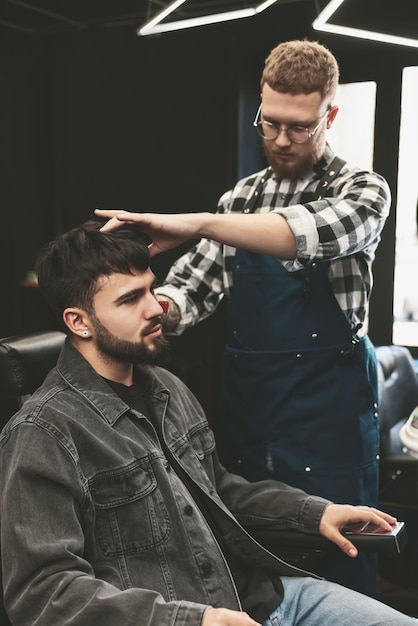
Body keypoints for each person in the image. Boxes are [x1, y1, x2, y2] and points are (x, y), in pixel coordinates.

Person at [0, 218, 412, 626]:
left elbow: (219, 492)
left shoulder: (165, 386)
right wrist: (193, 620)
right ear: (79, 322)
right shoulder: (43, 434)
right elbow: (44, 593)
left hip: (269, 597)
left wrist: (313, 514)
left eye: (150, 288)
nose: (156, 306)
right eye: (130, 299)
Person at [96, 39, 391, 596]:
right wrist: (147, 310)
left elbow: (301, 234)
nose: (280, 139)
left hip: (329, 419)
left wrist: (198, 222)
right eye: (269, 122)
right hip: (252, 413)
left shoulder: (362, 191)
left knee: (338, 555)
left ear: (330, 114)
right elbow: (192, 287)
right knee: (253, 562)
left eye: (299, 127)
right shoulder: (238, 200)